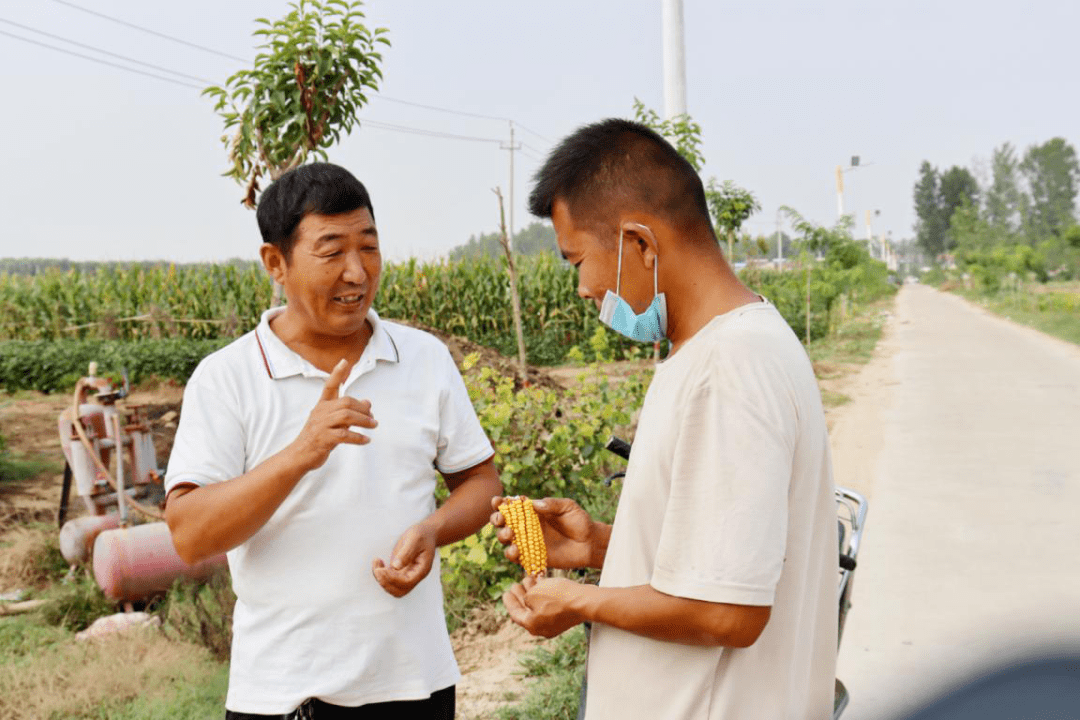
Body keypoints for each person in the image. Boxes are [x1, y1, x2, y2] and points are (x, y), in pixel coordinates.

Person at [491, 119, 838, 719]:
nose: (581, 288)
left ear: (640, 244)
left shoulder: (729, 368)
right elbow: (725, 561)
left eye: (578, 261)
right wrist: (600, 545)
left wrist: (577, 602)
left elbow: (727, 612)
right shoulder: (719, 349)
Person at [164, 163, 502, 719]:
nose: (357, 273)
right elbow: (190, 536)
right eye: (331, 252)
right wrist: (301, 453)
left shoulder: (424, 358)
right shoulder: (227, 377)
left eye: (369, 247)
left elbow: (482, 482)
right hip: (285, 695)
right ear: (276, 263)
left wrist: (431, 529)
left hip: (416, 686)